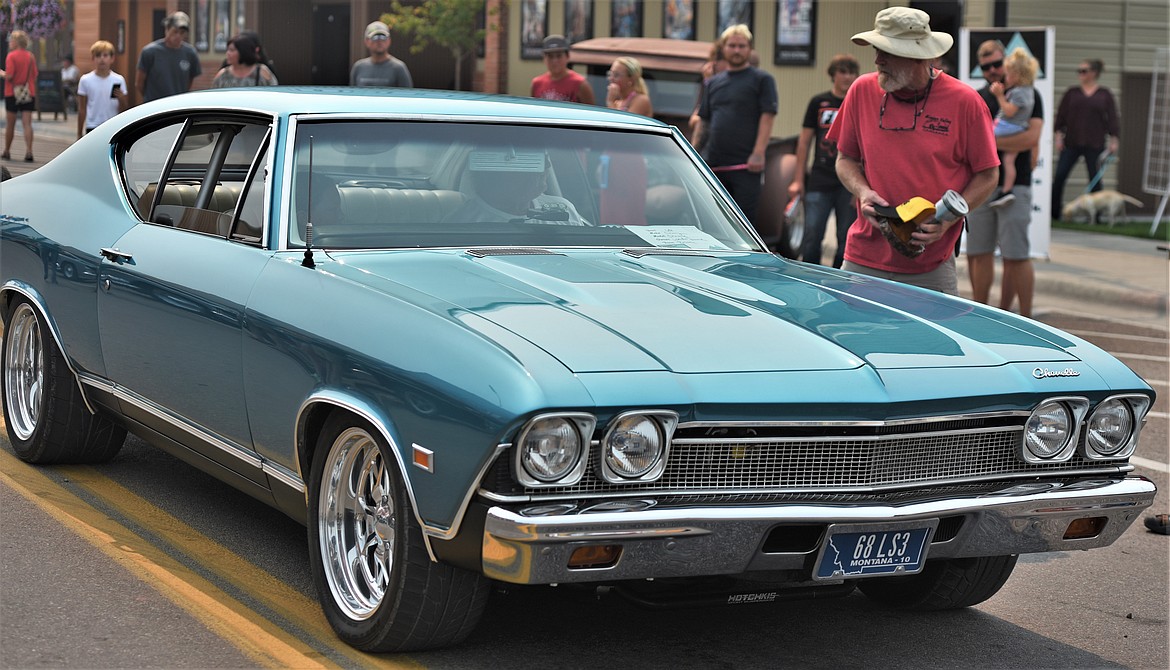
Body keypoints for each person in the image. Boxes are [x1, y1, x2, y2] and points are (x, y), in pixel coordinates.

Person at [827, 6, 999, 296]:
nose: (877, 59)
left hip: (930, 264)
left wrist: (948, 219)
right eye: (876, 49)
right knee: (849, 339)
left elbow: (988, 174)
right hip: (863, 256)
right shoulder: (860, 91)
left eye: (887, 51)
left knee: (932, 343)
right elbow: (846, 160)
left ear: (920, 56)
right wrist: (863, 191)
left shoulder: (965, 102)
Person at [966, 39, 1044, 317]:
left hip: (1016, 185)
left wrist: (989, 144)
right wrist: (1006, 143)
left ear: (1006, 62)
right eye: (986, 66)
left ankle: (1023, 318)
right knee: (977, 252)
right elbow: (967, 145)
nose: (993, 70)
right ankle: (980, 315)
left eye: (997, 64)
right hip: (978, 186)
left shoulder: (1027, 93)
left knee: (1016, 255)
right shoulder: (975, 97)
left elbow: (1032, 137)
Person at [697, 24, 778, 229]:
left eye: (742, 46)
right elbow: (704, 121)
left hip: (745, 167)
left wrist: (758, 153)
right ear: (724, 48)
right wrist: (692, 152)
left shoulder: (762, 80)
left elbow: (767, 117)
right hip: (713, 165)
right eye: (732, 45)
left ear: (750, 49)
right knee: (714, 225)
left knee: (743, 227)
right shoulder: (712, 83)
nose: (736, 50)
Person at [789, 53, 859, 267]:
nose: (847, 77)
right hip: (819, 178)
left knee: (846, 238)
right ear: (832, 75)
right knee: (811, 235)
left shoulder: (859, 103)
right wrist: (798, 180)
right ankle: (811, 280)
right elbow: (804, 142)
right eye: (842, 72)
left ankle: (839, 284)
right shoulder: (818, 102)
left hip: (848, 182)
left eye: (852, 72)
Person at [447, 148, 588, 225]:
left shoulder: (563, 210)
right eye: (534, 160)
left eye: (544, 158)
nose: (547, 166)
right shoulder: (462, 225)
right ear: (496, 169)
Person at [1051, 58, 1119, 216]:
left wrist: (1114, 140)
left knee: (1095, 180)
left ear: (1094, 73)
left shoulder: (1105, 94)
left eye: (1084, 71)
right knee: (1060, 176)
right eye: (1079, 71)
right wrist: (1058, 137)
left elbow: (1113, 119)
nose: (1080, 74)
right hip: (1071, 142)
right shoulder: (1071, 93)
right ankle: (1054, 213)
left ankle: (1097, 216)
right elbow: (1060, 117)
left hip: (1095, 143)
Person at [985, 47, 1038, 209]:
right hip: (1017, 128)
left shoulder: (1020, 93)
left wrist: (1000, 96)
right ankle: (1007, 191)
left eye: (1008, 74)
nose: (1005, 77)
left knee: (983, 137)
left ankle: (1005, 189)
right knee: (1008, 161)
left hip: (1009, 127)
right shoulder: (1027, 91)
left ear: (1017, 75)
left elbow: (1009, 111)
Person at [136, 11, 201, 103]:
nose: (178, 36)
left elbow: (189, 82)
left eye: (182, 33)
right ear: (167, 29)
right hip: (154, 106)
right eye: (175, 31)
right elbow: (139, 84)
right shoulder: (150, 52)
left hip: (178, 106)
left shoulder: (190, 53)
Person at [76, 40, 128, 138]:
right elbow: (82, 108)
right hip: (93, 125)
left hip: (113, 125)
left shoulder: (119, 80)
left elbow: (124, 108)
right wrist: (79, 132)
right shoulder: (85, 80)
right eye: (98, 55)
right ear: (93, 58)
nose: (102, 59)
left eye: (105, 55)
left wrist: (121, 98)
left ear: (112, 58)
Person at [2, 30, 38, 162]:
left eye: (11, 40)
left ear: (16, 42)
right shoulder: (30, 56)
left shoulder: (11, 56)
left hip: (12, 93)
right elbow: (34, 75)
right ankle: (29, 151)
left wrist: (2, 73)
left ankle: (6, 151)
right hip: (28, 93)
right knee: (27, 123)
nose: (10, 42)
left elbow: (10, 76)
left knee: (10, 124)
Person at [531, 35, 595, 104]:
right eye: (550, 56)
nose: (554, 61)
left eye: (559, 56)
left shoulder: (580, 84)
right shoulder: (537, 83)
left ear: (567, 57)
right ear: (544, 59)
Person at [349, 21, 413, 88]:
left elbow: (407, 96)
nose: (379, 42)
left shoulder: (399, 68)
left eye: (383, 37)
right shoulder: (358, 67)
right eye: (375, 38)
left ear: (389, 41)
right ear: (366, 41)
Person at [212, 34, 278, 88]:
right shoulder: (223, 74)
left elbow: (274, 92)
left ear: (243, 52)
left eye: (231, 50)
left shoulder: (261, 72)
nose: (228, 53)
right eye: (227, 50)